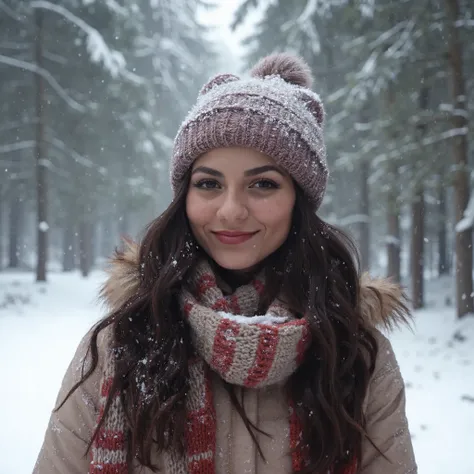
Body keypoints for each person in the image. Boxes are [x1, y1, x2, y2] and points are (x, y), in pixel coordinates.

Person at [33, 53, 417, 474]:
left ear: (299, 201)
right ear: (185, 198)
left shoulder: (354, 353)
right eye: (209, 184)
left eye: (263, 184)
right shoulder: (120, 345)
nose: (231, 210)